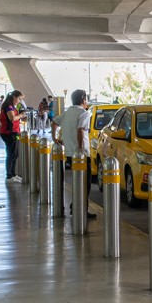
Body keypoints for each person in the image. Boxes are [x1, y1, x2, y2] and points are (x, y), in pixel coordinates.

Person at [53, 89, 96, 219]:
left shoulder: (67, 113)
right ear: (83, 100)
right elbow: (80, 130)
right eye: (86, 99)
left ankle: (76, 207)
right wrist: (81, 149)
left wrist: (55, 138)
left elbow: (54, 122)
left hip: (70, 154)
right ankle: (81, 209)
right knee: (85, 184)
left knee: (78, 182)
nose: (87, 102)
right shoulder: (84, 113)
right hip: (81, 155)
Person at [0, 90, 24, 182]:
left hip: (14, 132)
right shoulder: (8, 107)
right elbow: (12, 118)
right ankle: (9, 175)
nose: (19, 101)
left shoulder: (13, 107)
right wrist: (21, 115)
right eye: (19, 99)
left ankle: (13, 174)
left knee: (15, 153)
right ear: (14, 98)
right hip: (9, 133)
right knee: (11, 153)